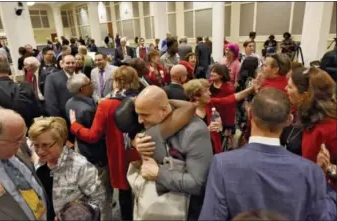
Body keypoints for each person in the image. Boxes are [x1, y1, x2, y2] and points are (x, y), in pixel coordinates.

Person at [198, 88, 337, 220]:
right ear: (289, 120)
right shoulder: (312, 172)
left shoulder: (222, 164)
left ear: (250, 113)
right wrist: (329, 184)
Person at [69, 66, 143, 221]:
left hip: (120, 155)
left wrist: (75, 125)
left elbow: (92, 136)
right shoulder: (142, 98)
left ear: (116, 82)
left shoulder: (106, 104)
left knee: (125, 195)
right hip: (142, 151)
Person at [132, 85, 213, 220]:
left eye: (144, 115)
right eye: (138, 114)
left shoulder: (195, 131)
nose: (140, 120)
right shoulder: (150, 122)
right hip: (151, 205)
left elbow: (197, 184)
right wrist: (135, 142)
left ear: (164, 110)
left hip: (185, 210)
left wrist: (159, 174)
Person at [29, 116, 105, 220]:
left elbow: (99, 200)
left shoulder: (80, 166)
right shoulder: (37, 164)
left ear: (61, 142)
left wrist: (77, 216)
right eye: (36, 145)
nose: (40, 151)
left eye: (46, 145)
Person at [281, 67, 337, 163]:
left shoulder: (327, 129)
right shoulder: (299, 111)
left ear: (305, 95)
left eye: (290, 87)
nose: (285, 88)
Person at [44, 55, 77, 122]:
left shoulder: (80, 76)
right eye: (68, 63)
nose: (71, 65)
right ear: (61, 64)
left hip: (79, 117)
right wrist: (58, 120)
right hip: (63, 118)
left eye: (73, 63)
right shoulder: (52, 78)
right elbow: (50, 102)